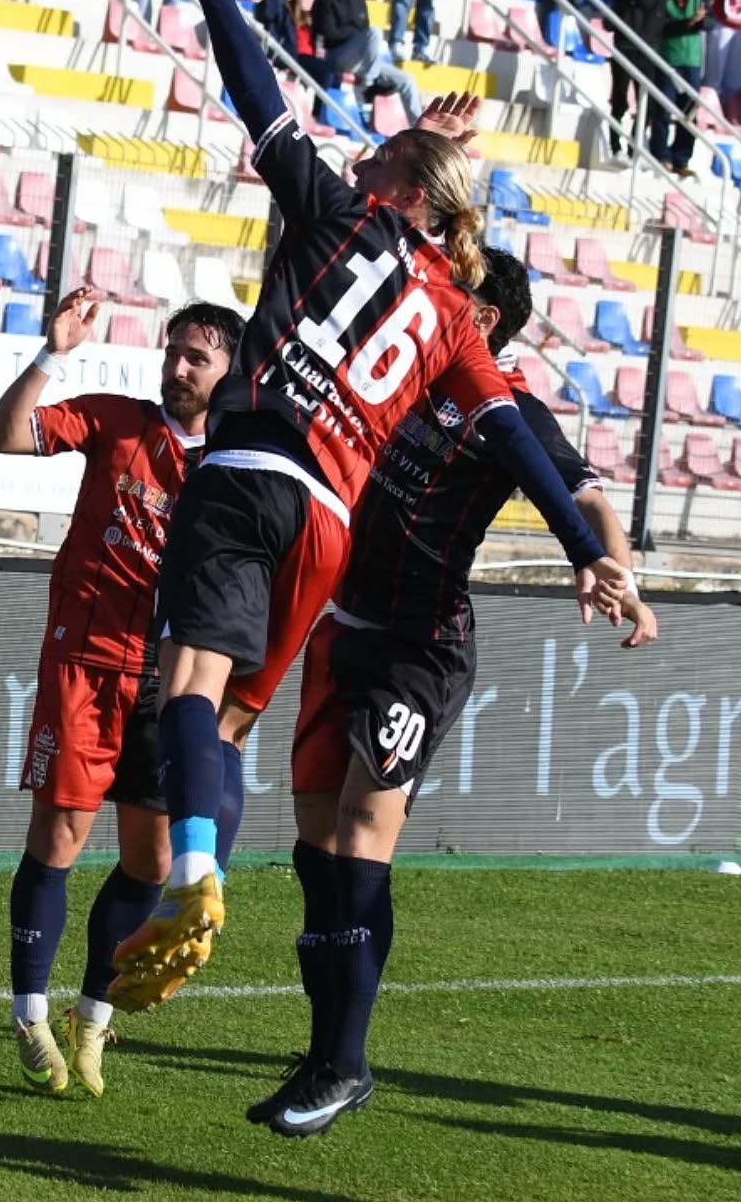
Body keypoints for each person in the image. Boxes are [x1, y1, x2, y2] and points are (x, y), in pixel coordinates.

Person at [104, 0, 632, 1014]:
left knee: (187, 696)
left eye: (383, 150)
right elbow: (520, 440)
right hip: (329, 528)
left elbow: (255, 88)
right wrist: (586, 550)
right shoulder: (456, 317)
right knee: (235, 720)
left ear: (398, 188)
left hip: (249, 468)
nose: (366, 149)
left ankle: (195, 875)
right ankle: (202, 878)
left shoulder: (337, 214)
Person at [248, 246, 658, 1137]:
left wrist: (613, 571)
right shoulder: (397, 373)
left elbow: (584, 498)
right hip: (340, 631)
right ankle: (325, 1052)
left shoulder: (504, 407)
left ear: (487, 321)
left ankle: (343, 1066)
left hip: (418, 649)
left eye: (455, 300)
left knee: (360, 838)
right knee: (318, 855)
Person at [0, 292, 242, 1097]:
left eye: (197, 356)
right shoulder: (114, 421)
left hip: (172, 681)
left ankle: (92, 1017)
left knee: (152, 858)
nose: (178, 367)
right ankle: (29, 1011)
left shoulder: (233, 466)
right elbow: (3, 435)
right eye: (173, 351)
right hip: (85, 663)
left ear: (230, 371)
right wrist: (51, 350)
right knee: (59, 835)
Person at [589, 0, 709, 159]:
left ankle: (633, 148)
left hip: (649, 55)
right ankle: (615, 146)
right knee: (619, 102)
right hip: (624, 51)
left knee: (649, 107)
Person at [312, 0, 423, 124]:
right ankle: (368, 86)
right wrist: (354, 32)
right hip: (338, 55)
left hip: (363, 62)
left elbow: (365, 34)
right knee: (375, 32)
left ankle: (420, 129)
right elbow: (329, 34)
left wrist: (357, 34)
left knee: (407, 81)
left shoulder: (359, 2)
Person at [654, 0, 711, 179]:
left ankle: (681, 157)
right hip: (669, 56)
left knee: (690, 113)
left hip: (692, 58)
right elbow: (661, 26)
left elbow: (702, 24)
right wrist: (689, 22)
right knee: (663, 110)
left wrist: (699, 21)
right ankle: (660, 154)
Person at [256, 0, 331, 91]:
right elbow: (267, 14)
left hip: (297, 56)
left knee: (327, 72)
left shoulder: (301, 12)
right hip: (280, 55)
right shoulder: (270, 4)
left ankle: (318, 110)